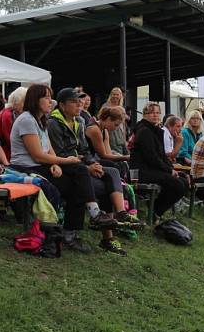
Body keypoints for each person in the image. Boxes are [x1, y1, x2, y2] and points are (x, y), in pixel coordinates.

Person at [9, 84, 118, 253]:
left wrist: (55, 163)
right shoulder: (26, 120)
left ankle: (72, 231)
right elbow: (37, 155)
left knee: (78, 184)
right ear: (34, 100)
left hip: (42, 166)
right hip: (25, 167)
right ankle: (93, 214)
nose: (49, 101)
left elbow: (48, 150)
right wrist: (65, 161)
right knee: (78, 170)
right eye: (46, 97)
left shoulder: (41, 121)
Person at [48, 88, 139, 255]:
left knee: (109, 174)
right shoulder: (53, 122)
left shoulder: (78, 122)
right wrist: (88, 166)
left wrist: (92, 164)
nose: (78, 105)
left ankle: (114, 224)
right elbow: (59, 153)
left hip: (78, 167)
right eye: (74, 102)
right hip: (62, 169)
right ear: (61, 105)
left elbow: (84, 150)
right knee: (91, 183)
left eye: (79, 102)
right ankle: (93, 219)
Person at [130, 102, 187, 223]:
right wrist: (168, 170)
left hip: (153, 169)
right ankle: (156, 211)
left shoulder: (155, 130)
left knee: (183, 180)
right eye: (151, 112)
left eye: (157, 112)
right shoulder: (144, 130)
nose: (155, 115)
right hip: (142, 171)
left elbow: (162, 156)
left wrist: (171, 169)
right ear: (145, 114)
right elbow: (151, 157)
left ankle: (156, 210)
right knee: (178, 185)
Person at [0, 86, 27, 161]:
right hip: (8, 156)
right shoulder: (8, 115)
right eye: (24, 102)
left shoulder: (12, 113)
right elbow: (10, 139)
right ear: (17, 101)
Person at [105, 87, 129, 156]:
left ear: (120, 96)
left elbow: (123, 125)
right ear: (110, 95)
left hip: (121, 135)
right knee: (116, 153)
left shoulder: (122, 107)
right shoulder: (106, 106)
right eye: (113, 94)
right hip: (111, 135)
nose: (115, 96)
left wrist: (124, 138)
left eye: (117, 94)